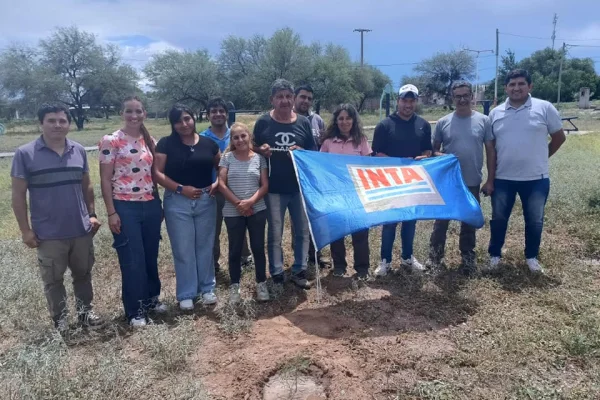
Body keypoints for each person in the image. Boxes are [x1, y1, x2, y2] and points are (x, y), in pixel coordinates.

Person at [11, 104, 103, 333]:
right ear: (40, 123)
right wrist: (25, 230)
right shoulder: (25, 154)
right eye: (51, 120)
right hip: (48, 233)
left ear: (68, 124)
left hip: (81, 229)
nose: (57, 125)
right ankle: (60, 320)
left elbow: (87, 185)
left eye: (62, 121)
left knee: (83, 274)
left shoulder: (78, 150)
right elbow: (18, 195)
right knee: (53, 280)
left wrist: (91, 215)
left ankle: (85, 313)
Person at [486, 69, 566, 274]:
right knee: (498, 219)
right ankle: (494, 255)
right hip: (503, 178)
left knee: (535, 220)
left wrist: (542, 157)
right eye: (512, 84)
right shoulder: (495, 113)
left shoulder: (545, 108)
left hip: (536, 179)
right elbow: (491, 148)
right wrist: (491, 179)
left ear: (530, 86)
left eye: (521, 84)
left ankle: (531, 257)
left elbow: (559, 138)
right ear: (506, 88)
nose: (516, 88)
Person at [99, 96, 166, 327]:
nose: (134, 115)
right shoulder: (111, 141)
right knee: (132, 259)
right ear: (122, 113)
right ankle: (135, 310)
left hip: (150, 204)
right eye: (129, 111)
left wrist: (159, 204)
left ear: (144, 114)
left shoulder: (150, 140)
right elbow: (105, 180)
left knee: (150, 255)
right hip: (124, 206)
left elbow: (154, 176)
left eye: (138, 111)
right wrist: (111, 212)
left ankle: (151, 300)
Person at [425, 81, 496, 276]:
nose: (462, 99)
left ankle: (468, 259)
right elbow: (434, 151)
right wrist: (445, 158)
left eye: (466, 95)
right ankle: (434, 258)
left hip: (472, 181)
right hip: (447, 183)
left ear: (472, 97)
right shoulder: (442, 122)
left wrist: (490, 180)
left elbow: (490, 150)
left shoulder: (484, 121)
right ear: (452, 98)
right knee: (441, 222)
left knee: (469, 222)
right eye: (458, 96)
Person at [154, 104, 220, 310]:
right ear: (172, 124)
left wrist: (217, 184)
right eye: (178, 121)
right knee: (183, 248)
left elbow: (222, 168)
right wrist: (181, 189)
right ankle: (186, 293)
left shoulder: (209, 144)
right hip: (177, 201)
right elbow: (157, 173)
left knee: (205, 245)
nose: (184, 124)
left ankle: (207, 288)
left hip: (206, 200)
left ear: (194, 118)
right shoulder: (165, 144)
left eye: (187, 119)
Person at [253, 79, 317, 289]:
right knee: (275, 233)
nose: (285, 100)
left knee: (302, 231)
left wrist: (302, 152)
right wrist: (260, 149)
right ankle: (277, 272)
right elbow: (251, 146)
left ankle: (300, 270)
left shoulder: (303, 122)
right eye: (280, 96)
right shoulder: (263, 122)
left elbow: (313, 154)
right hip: (273, 188)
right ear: (272, 99)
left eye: (288, 96)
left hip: (299, 188)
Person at [372, 84, 432, 277]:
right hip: (390, 182)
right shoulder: (384, 125)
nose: (408, 104)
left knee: (410, 222)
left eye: (412, 100)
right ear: (397, 101)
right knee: (389, 223)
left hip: (414, 182)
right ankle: (385, 261)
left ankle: (407, 258)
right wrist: (396, 164)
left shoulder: (424, 125)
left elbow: (427, 151)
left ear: (416, 102)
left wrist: (424, 156)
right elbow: (377, 153)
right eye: (404, 100)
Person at [218, 123, 270, 303]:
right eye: (235, 137)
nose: (240, 140)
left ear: (249, 137)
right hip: (233, 211)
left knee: (257, 248)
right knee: (235, 249)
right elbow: (222, 184)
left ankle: (261, 283)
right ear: (231, 140)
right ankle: (234, 286)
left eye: (243, 136)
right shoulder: (227, 158)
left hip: (257, 209)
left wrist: (250, 203)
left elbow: (264, 185)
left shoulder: (259, 159)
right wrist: (239, 204)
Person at [320, 104, 372, 279]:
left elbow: (368, 167)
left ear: (353, 120)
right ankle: (340, 266)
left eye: (348, 118)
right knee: (337, 230)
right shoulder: (328, 142)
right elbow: (320, 166)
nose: (344, 122)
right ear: (336, 121)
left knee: (360, 231)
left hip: (356, 193)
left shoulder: (361, 141)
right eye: (341, 118)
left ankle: (362, 268)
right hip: (335, 194)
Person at [200, 98, 252, 273]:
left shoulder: (237, 134)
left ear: (226, 113)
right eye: (213, 111)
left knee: (239, 224)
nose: (218, 114)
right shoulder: (202, 138)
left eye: (221, 110)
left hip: (238, 188)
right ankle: (213, 262)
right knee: (212, 228)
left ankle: (245, 256)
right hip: (213, 191)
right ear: (208, 115)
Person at [292, 84, 331, 270]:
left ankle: (316, 254)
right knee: (298, 222)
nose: (305, 101)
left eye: (309, 98)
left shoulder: (318, 121)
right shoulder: (289, 119)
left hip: (313, 178)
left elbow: (321, 148)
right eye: (302, 97)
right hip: (293, 179)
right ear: (294, 98)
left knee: (315, 217)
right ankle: (300, 258)